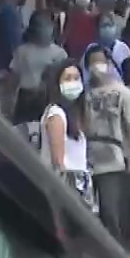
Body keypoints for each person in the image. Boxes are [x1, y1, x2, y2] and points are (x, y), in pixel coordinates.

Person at [17, 63, 95, 214]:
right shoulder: (56, 114)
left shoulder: (74, 114)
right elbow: (58, 161)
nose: (73, 82)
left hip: (80, 183)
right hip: (67, 185)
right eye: (67, 78)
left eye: (76, 78)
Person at [81, 53, 130, 242]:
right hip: (87, 157)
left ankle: (115, 251)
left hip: (112, 158)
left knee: (109, 209)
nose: (96, 67)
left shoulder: (122, 92)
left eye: (99, 62)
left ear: (108, 64)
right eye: (91, 63)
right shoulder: (85, 93)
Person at [10, 12, 70, 118]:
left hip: (47, 98)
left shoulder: (60, 53)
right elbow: (14, 78)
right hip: (25, 97)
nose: (45, 29)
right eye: (40, 25)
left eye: (47, 25)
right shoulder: (22, 51)